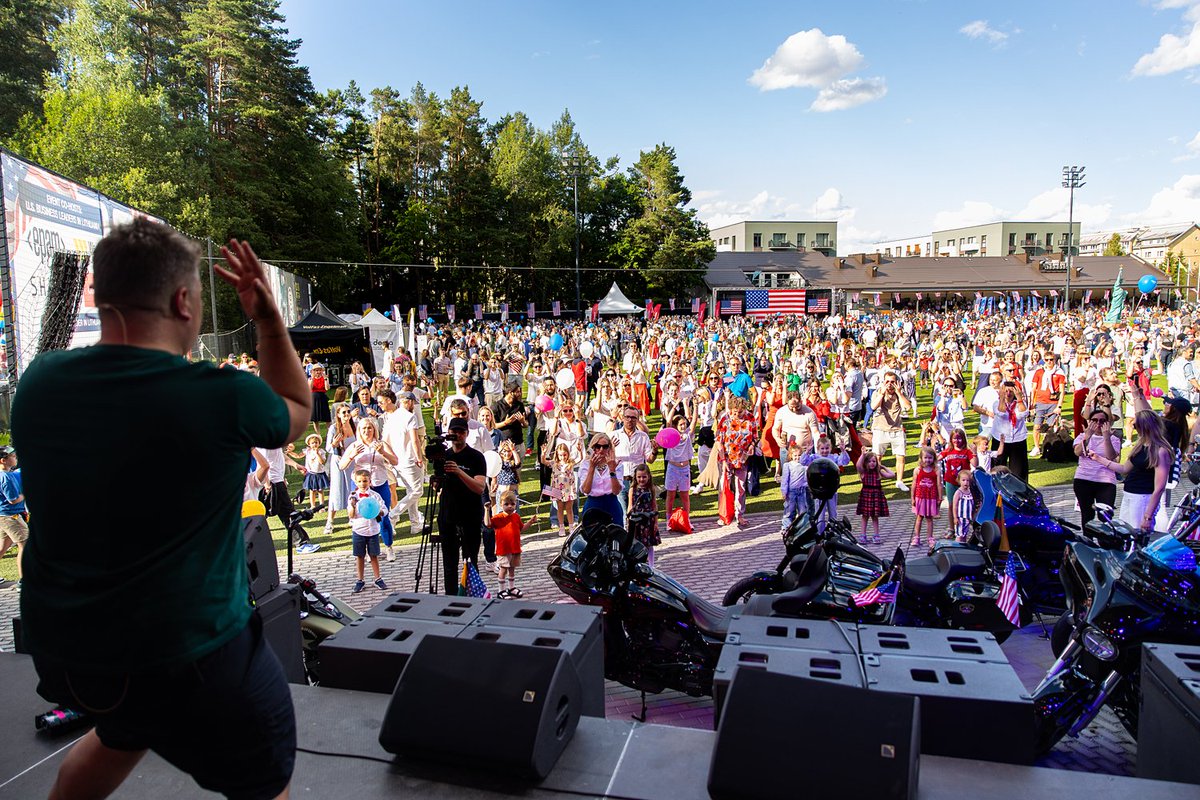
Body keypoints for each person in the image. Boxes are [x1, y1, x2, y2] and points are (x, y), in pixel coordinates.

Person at [12, 226, 307, 799]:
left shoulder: (39, 384)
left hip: (76, 655)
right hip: (192, 657)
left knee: (121, 731)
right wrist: (268, 318)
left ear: (100, 297)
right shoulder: (221, 395)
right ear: (183, 302)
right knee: (266, 786)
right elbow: (296, 408)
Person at [1089, 410, 1172, 531]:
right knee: (1126, 532)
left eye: (1135, 425)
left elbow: (1159, 487)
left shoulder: (1160, 451)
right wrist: (1098, 458)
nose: (1133, 428)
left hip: (1143, 498)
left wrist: (1148, 516)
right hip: (1129, 494)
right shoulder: (1140, 446)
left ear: (1145, 426)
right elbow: (1124, 469)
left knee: (1137, 534)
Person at [436, 417, 487, 595]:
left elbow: (479, 488)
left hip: (470, 515)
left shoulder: (476, 457)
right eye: (453, 432)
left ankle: (472, 597)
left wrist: (458, 471)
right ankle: (450, 599)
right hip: (448, 515)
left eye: (460, 432)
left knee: (470, 561)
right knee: (449, 564)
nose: (457, 435)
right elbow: (438, 487)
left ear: (466, 433)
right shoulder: (444, 455)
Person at [382, 390, 425, 536]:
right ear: (408, 402)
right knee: (418, 491)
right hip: (410, 459)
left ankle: (415, 524)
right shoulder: (409, 416)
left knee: (411, 490)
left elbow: (385, 441)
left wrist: (392, 457)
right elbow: (415, 440)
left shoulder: (391, 418)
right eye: (413, 403)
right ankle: (393, 514)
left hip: (398, 461)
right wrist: (419, 457)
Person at [1072, 408, 1121, 528]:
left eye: (1102, 421)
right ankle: (1088, 542)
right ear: (1089, 422)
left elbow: (1111, 457)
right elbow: (1078, 452)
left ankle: (1105, 543)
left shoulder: (1114, 439)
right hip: (1084, 479)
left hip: (1106, 481)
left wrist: (1106, 437)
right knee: (1087, 515)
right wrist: (1087, 436)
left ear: (1107, 423)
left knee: (1104, 515)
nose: (1098, 424)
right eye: (1095, 420)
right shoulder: (1082, 436)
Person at [870, 370, 913, 490]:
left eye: (892, 382)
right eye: (887, 381)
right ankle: (876, 480)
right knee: (877, 457)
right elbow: (873, 406)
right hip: (880, 428)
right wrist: (882, 394)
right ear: (883, 382)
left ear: (897, 383)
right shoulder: (877, 392)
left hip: (897, 428)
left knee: (901, 456)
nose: (890, 384)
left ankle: (899, 481)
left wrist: (899, 393)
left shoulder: (900, 393)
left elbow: (907, 407)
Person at [348, 469, 388, 593]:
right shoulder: (353, 497)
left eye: (365, 481)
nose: (362, 484)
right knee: (359, 556)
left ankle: (378, 578)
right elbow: (351, 515)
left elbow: (384, 509)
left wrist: (379, 511)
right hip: (359, 530)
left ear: (369, 481)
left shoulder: (375, 496)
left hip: (373, 530)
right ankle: (360, 580)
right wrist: (353, 506)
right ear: (355, 482)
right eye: (359, 481)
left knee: (374, 555)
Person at [611, 406, 656, 516]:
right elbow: (607, 459)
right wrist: (611, 448)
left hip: (638, 481)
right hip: (621, 479)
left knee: (638, 513)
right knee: (622, 512)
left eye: (633, 417)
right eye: (627, 417)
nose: (630, 420)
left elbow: (649, 460)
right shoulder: (614, 435)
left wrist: (654, 451)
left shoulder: (643, 436)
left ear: (637, 419)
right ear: (622, 418)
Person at [490, 490, 535, 598]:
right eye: (506, 504)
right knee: (503, 569)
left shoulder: (516, 517)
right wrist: (487, 510)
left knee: (512, 569)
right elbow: (487, 523)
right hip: (504, 549)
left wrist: (530, 522)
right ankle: (501, 590)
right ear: (501, 504)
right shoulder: (498, 518)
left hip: (515, 548)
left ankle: (511, 588)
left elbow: (521, 528)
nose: (510, 506)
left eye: (512, 504)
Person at [579, 432, 623, 526]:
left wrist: (612, 470)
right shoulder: (585, 464)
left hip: (611, 503)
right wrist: (592, 467)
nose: (601, 450)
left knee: (615, 535)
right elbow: (586, 490)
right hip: (593, 504)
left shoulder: (616, 464)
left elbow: (616, 491)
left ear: (609, 448)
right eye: (598, 446)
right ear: (593, 447)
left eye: (605, 447)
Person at [0, 447, 27, 584]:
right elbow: (13, 499)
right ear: (3, 460)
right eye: (12, 455)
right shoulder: (5, 476)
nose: (15, 457)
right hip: (11, 516)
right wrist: (25, 494)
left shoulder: (8, 474)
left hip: (4, 516)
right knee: (24, 545)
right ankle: (23, 580)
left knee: (2, 547)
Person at [855, 449, 893, 545]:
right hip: (866, 495)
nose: (872, 463)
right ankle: (863, 535)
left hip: (876, 495)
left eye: (874, 461)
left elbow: (892, 474)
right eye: (869, 461)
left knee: (875, 516)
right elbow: (858, 465)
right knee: (865, 516)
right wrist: (862, 455)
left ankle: (876, 535)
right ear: (866, 463)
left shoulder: (879, 473)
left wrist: (883, 467)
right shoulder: (863, 472)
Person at [541, 442, 579, 537]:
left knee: (569, 508)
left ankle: (571, 526)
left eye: (564, 455)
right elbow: (544, 461)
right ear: (557, 455)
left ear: (568, 454)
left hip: (568, 488)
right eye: (560, 455)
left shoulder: (570, 463)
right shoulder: (554, 463)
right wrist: (543, 453)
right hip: (557, 488)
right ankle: (561, 526)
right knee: (560, 508)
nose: (562, 457)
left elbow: (580, 459)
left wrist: (579, 450)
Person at [626, 463, 660, 566]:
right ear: (635, 477)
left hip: (648, 519)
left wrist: (656, 522)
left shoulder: (651, 489)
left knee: (649, 543)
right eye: (639, 477)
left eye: (644, 477)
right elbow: (630, 505)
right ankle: (639, 563)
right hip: (637, 520)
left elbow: (654, 505)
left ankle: (651, 564)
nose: (641, 479)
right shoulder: (632, 489)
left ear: (649, 476)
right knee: (637, 542)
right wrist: (628, 519)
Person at [910, 446, 941, 548]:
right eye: (926, 457)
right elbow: (914, 484)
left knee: (929, 518)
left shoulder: (936, 470)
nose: (928, 460)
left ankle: (930, 538)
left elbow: (938, 485)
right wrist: (912, 498)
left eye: (930, 458)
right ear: (921, 458)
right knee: (919, 517)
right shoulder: (917, 470)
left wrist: (939, 497)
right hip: (920, 497)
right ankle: (917, 537)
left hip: (931, 497)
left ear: (934, 458)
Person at [779, 441, 808, 535]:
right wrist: (784, 491)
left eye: (799, 455)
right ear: (791, 455)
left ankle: (803, 527)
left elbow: (807, 478)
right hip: (791, 492)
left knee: (803, 510)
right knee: (789, 510)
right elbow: (785, 480)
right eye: (795, 455)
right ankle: (786, 527)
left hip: (802, 491)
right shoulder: (788, 465)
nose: (797, 457)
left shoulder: (804, 466)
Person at [301, 433, 329, 512]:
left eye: (316, 442)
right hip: (311, 473)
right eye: (312, 443)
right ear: (309, 444)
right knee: (312, 490)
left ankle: (321, 506)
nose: (314, 444)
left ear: (319, 443)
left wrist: (317, 454)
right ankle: (312, 505)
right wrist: (290, 452)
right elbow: (298, 456)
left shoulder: (321, 452)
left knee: (320, 490)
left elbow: (322, 462)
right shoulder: (307, 451)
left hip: (319, 473)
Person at [949, 469, 976, 543]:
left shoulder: (970, 492)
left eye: (967, 480)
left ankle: (963, 547)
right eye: (963, 480)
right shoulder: (958, 492)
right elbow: (954, 506)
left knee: (965, 534)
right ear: (959, 481)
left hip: (968, 517)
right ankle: (957, 547)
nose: (966, 482)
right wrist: (955, 517)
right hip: (960, 518)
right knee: (959, 534)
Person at [309, 363, 331, 434]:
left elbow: (327, 388)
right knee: (315, 419)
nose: (318, 372)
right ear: (313, 371)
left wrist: (325, 379)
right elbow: (310, 388)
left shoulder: (325, 378)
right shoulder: (310, 379)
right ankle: (318, 434)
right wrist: (312, 378)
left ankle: (329, 433)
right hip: (314, 399)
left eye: (319, 370)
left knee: (327, 418)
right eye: (316, 370)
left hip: (322, 398)